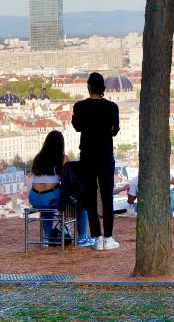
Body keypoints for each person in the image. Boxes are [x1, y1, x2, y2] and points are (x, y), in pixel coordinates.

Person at [71, 72, 120, 250]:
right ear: (103, 88)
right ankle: (108, 237)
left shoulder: (80, 106)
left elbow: (76, 126)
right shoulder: (112, 107)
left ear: (89, 87)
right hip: (106, 155)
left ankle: (97, 238)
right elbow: (114, 131)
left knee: (90, 197)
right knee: (107, 198)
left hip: (88, 156)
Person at [28, 130, 93, 246]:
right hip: (50, 197)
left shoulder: (38, 158)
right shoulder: (62, 159)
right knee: (81, 205)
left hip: (34, 197)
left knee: (48, 209)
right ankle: (82, 237)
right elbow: (68, 181)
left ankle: (46, 239)